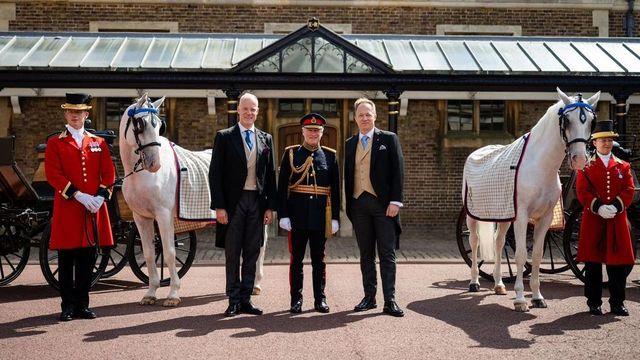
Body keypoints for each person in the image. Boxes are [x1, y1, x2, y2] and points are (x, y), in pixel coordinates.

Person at [45, 93, 116, 321]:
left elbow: (108, 173)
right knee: (66, 260)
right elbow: (53, 174)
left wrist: (100, 197)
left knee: (87, 259)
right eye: (71, 112)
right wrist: (77, 195)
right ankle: (67, 306)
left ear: (87, 114)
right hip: (69, 208)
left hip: (92, 209)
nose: (75, 116)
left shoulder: (99, 142)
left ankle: (82, 305)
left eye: (80, 112)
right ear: (66, 113)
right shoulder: (55, 142)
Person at [209, 93, 277, 317]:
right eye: (246, 108)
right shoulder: (225, 137)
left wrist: (270, 207)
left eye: (253, 109)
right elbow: (215, 174)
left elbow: (270, 177)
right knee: (232, 252)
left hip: (256, 202)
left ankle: (246, 299)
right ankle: (233, 300)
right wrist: (219, 207)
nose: (250, 113)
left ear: (257, 111)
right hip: (233, 204)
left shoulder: (266, 139)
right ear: (238, 110)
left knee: (252, 251)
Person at [344, 98, 405, 317]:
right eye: (360, 115)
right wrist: (349, 204)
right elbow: (348, 175)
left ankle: (390, 300)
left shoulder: (389, 139)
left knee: (387, 253)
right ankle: (369, 298)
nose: (364, 118)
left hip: (383, 205)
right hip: (359, 204)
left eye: (368, 114)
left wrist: (395, 201)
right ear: (355, 117)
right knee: (365, 254)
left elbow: (398, 171)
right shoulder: (350, 143)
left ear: (375, 115)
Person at [277, 113, 340, 314]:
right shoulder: (291, 153)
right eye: (309, 130)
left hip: (320, 216)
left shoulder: (331, 156)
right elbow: (282, 187)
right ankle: (296, 299)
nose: (313, 133)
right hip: (297, 216)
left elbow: (336, 189)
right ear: (302, 132)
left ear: (322, 133)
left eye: (317, 130)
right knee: (296, 260)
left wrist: (336, 217)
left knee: (318, 260)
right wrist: (283, 214)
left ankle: (319, 299)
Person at [576, 120, 635, 316]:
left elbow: (629, 189)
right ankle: (594, 302)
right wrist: (598, 206)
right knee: (593, 264)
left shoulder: (623, 166)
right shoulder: (585, 167)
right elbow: (582, 191)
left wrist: (616, 205)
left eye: (609, 140)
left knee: (617, 265)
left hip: (616, 220)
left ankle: (617, 303)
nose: (607, 143)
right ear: (594, 143)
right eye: (602, 140)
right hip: (594, 219)